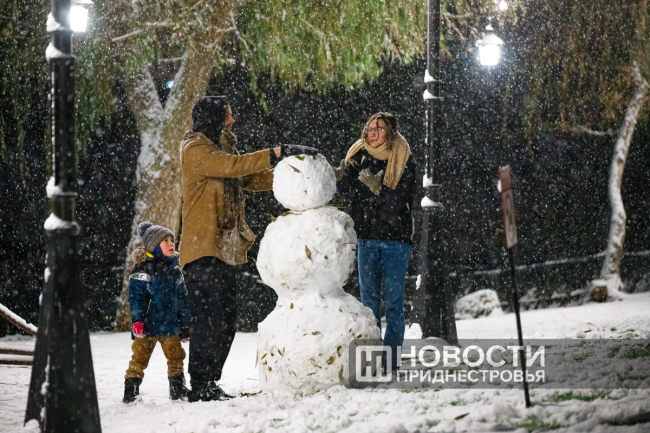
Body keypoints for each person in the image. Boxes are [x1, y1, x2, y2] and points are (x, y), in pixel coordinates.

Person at [179, 96, 316, 402]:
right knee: (208, 319)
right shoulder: (195, 149)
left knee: (226, 319)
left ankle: (209, 380)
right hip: (202, 250)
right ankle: (200, 384)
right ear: (213, 118)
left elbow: (249, 178)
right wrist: (276, 153)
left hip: (223, 249)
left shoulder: (222, 149)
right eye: (227, 115)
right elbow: (233, 166)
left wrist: (297, 171)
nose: (232, 121)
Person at [336, 112, 416, 370]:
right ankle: (370, 360)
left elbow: (402, 199)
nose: (372, 132)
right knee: (368, 305)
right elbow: (345, 189)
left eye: (379, 128)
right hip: (367, 239)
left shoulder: (403, 157)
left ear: (390, 132)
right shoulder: (358, 154)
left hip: (396, 240)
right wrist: (338, 176)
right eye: (370, 128)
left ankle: (391, 362)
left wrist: (379, 188)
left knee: (394, 304)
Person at [123, 221, 190, 403]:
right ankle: (131, 391)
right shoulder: (142, 269)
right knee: (139, 358)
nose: (171, 244)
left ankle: (177, 388)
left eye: (172, 240)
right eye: (165, 241)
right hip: (147, 325)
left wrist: (185, 324)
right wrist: (137, 321)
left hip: (170, 324)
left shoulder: (175, 269)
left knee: (176, 357)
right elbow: (136, 298)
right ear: (154, 246)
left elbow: (183, 298)